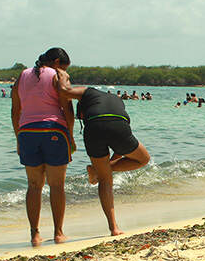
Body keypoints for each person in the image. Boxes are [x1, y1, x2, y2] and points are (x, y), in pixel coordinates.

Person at [57, 74, 150, 237]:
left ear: (82, 113)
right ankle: (98, 170)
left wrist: (61, 75)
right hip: (119, 124)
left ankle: (113, 228)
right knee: (143, 159)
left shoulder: (87, 92)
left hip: (94, 128)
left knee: (105, 179)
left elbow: (64, 90)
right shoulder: (114, 98)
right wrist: (106, 168)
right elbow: (120, 149)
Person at [11, 47, 75, 247]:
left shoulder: (22, 76)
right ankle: (58, 232)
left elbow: (15, 111)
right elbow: (68, 109)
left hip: (27, 133)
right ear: (57, 62)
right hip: (54, 130)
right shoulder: (58, 76)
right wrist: (71, 136)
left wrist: (18, 138)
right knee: (57, 186)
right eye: (63, 67)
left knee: (33, 185)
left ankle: (35, 235)